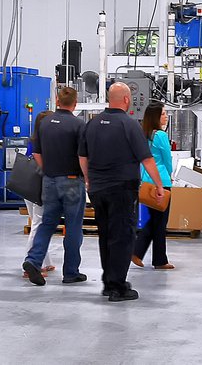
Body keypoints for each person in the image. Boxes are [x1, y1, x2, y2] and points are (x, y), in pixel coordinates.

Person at [79, 83, 164, 302]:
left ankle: (109, 283)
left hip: (97, 189)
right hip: (122, 189)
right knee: (123, 237)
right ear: (126, 99)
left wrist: (88, 180)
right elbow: (146, 159)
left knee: (106, 235)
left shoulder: (92, 124)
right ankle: (118, 287)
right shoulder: (129, 125)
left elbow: (82, 156)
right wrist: (159, 185)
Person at [22, 86, 87, 286]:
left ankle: (33, 260)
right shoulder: (78, 125)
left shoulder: (45, 123)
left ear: (57, 101)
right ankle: (71, 272)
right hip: (72, 181)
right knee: (73, 226)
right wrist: (88, 178)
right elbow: (82, 156)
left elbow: (36, 153)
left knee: (47, 223)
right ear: (75, 104)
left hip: (49, 180)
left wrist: (48, 171)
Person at [132, 101, 175, 270]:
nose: (166, 117)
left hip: (146, 181)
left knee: (154, 221)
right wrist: (170, 175)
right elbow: (167, 159)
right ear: (156, 117)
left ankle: (143, 253)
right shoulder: (161, 136)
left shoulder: (144, 135)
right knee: (160, 222)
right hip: (161, 182)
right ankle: (155, 258)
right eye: (163, 114)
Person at [22, 110, 55, 280]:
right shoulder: (45, 143)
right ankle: (31, 264)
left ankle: (45, 260)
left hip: (28, 186)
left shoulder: (33, 140)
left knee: (38, 222)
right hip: (39, 187)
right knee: (38, 225)